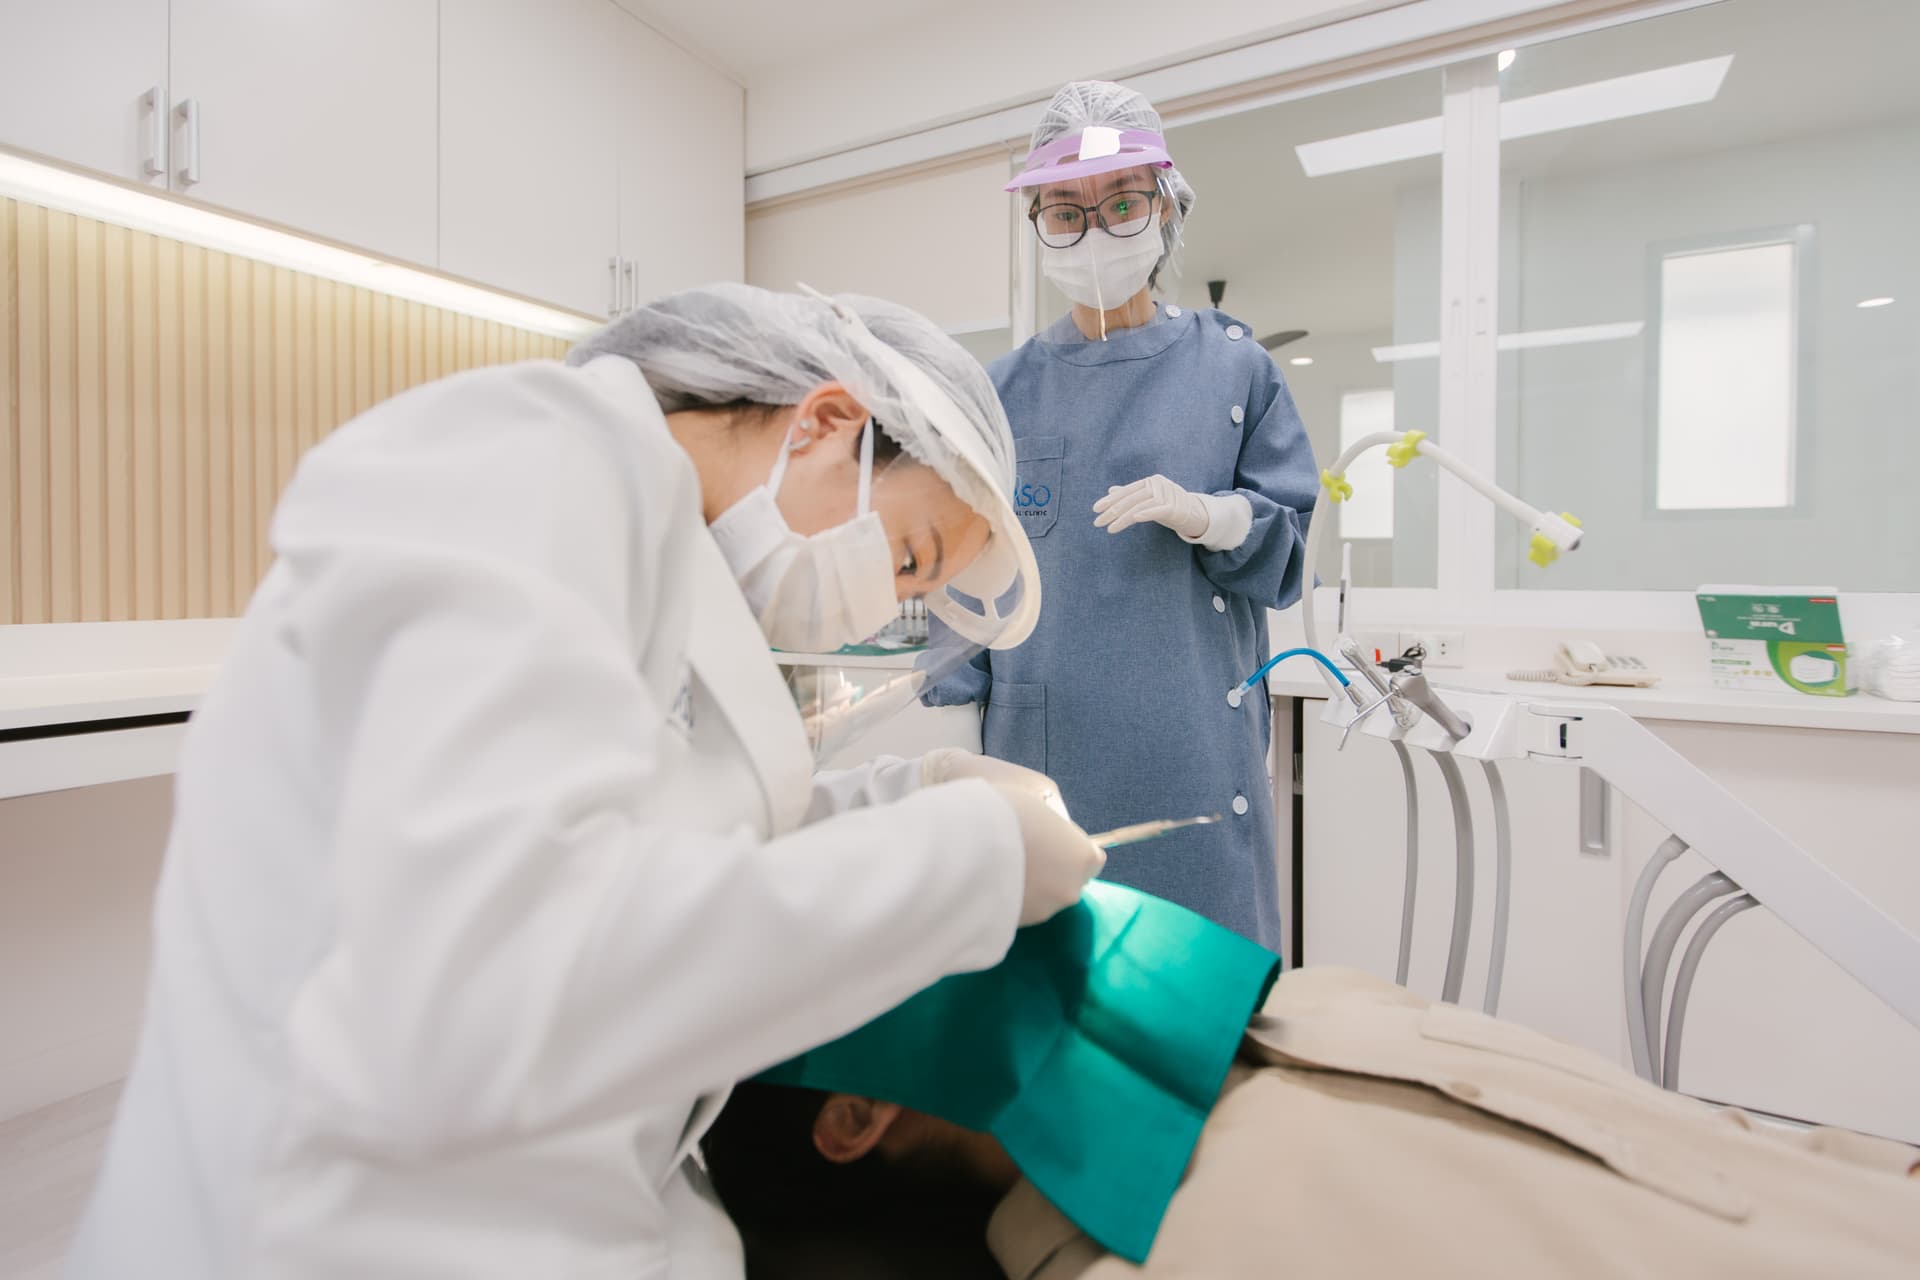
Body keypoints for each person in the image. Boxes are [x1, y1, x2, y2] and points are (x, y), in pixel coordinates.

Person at [64, 284, 1107, 1279]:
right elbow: (500, 958)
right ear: (827, 421)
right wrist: (967, 856)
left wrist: (905, 793)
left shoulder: (662, 552)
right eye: (911, 558)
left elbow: (647, 836)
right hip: (340, 1227)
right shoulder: (532, 458)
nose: (885, 604)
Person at [704, 949, 1920, 1280]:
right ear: (858, 1110)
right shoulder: (1171, 1252)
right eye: (926, 938)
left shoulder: (1313, 1002)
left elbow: (1685, 1137)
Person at [927, 80, 1319, 950]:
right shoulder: (1001, 393)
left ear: (1167, 209)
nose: (1093, 232)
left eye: (1122, 203)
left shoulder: (1235, 370)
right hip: (1039, 762)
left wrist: (1215, 520)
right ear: (1036, 224)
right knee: (1050, 1019)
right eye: (1065, 212)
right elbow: (962, 588)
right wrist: (951, 732)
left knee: (1203, 1013)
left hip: (1191, 762)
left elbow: (1288, 558)